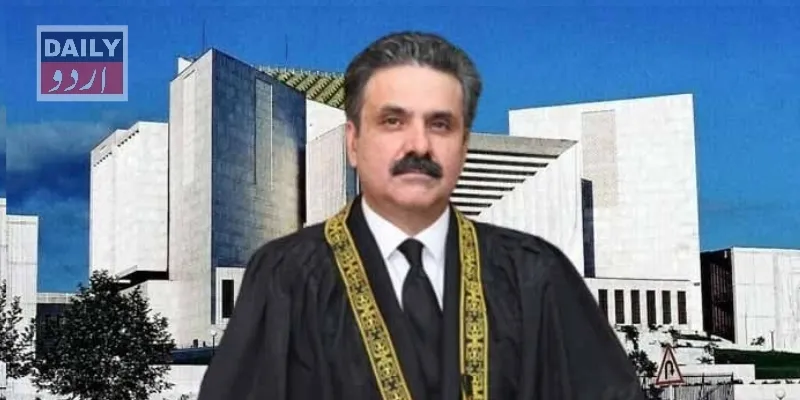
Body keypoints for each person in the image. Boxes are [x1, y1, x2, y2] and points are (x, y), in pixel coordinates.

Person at [197, 31, 644, 400]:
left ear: (463, 147)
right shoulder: (287, 276)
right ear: (353, 142)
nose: (419, 145)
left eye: (440, 124)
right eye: (393, 121)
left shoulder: (535, 275)